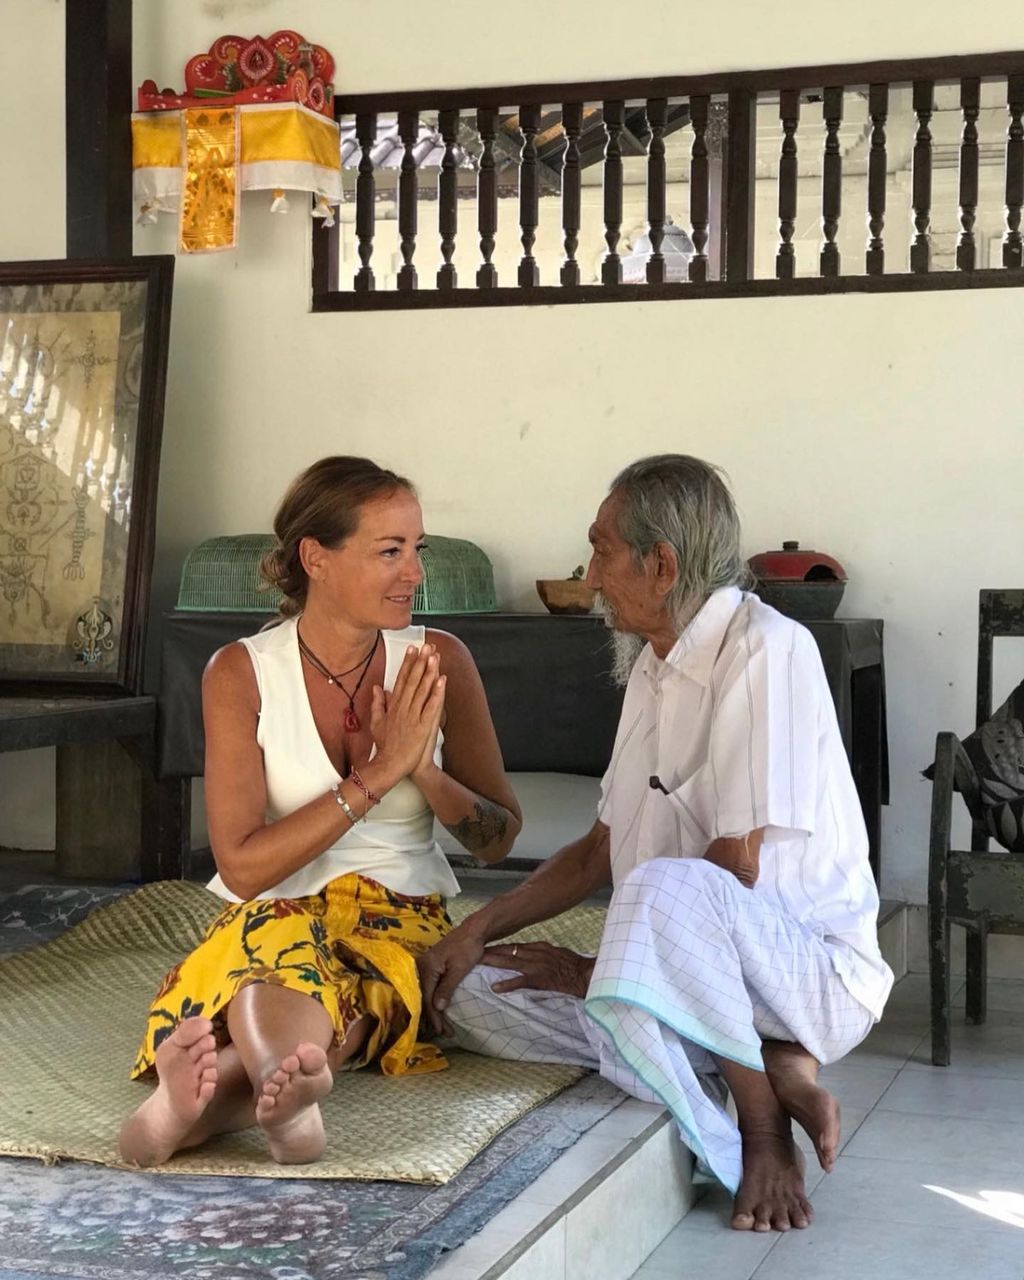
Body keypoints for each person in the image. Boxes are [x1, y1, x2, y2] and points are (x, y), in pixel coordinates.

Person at [416, 454, 893, 1233]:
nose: (592, 576)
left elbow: (728, 877)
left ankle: (760, 1127)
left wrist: (603, 968)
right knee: (465, 996)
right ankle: (765, 1059)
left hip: (806, 970)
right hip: (696, 974)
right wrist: (469, 933)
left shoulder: (766, 651)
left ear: (661, 564)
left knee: (661, 888)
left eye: (602, 550)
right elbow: (597, 850)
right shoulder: (652, 666)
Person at [119, 456, 521, 1167]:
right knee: (277, 953)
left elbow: (497, 840)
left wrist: (421, 769)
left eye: (416, 550)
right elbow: (243, 868)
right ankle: (286, 1095)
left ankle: (196, 1108)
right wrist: (376, 773)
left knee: (370, 987)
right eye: (389, 552)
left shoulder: (438, 660)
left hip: (397, 909)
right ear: (317, 559)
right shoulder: (240, 672)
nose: (414, 573)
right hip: (274, 906)